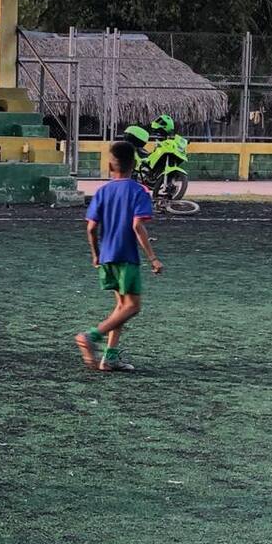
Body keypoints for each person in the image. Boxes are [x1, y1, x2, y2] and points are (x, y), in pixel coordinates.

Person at [75, 140, 163, 373]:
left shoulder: (102, 192)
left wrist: (96, 254)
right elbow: (137, 226)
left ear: (110, 166)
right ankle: (90, 336)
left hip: (107, 256)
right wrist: (153, 258)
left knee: (121, 307)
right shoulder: (138, 191)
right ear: (133, 164)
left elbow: (91, 228)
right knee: (133, 307)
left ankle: (110, 358)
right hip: (126, 256)